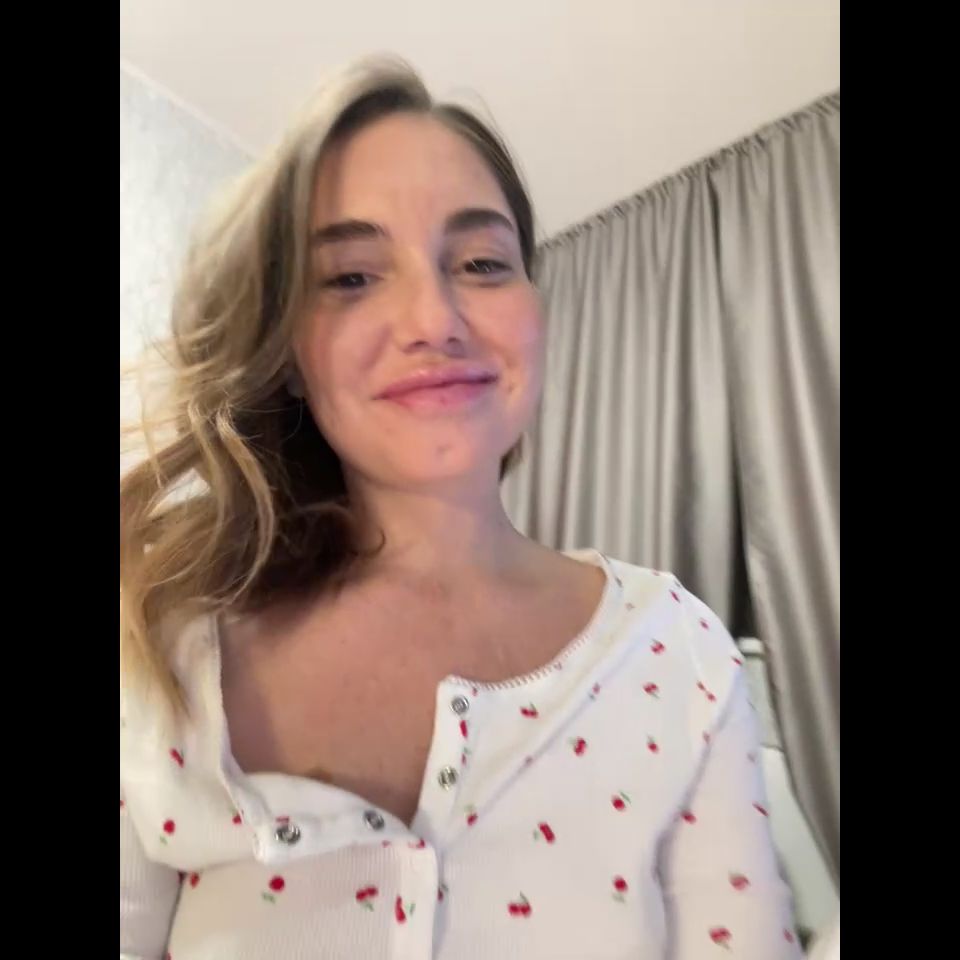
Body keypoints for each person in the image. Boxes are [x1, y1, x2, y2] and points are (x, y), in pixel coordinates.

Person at [120, 55, 801, 960]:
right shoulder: (158, 651)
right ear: (286, 354)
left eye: (482, 263)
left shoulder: (678, 654)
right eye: (351, 277)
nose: (434, 319)